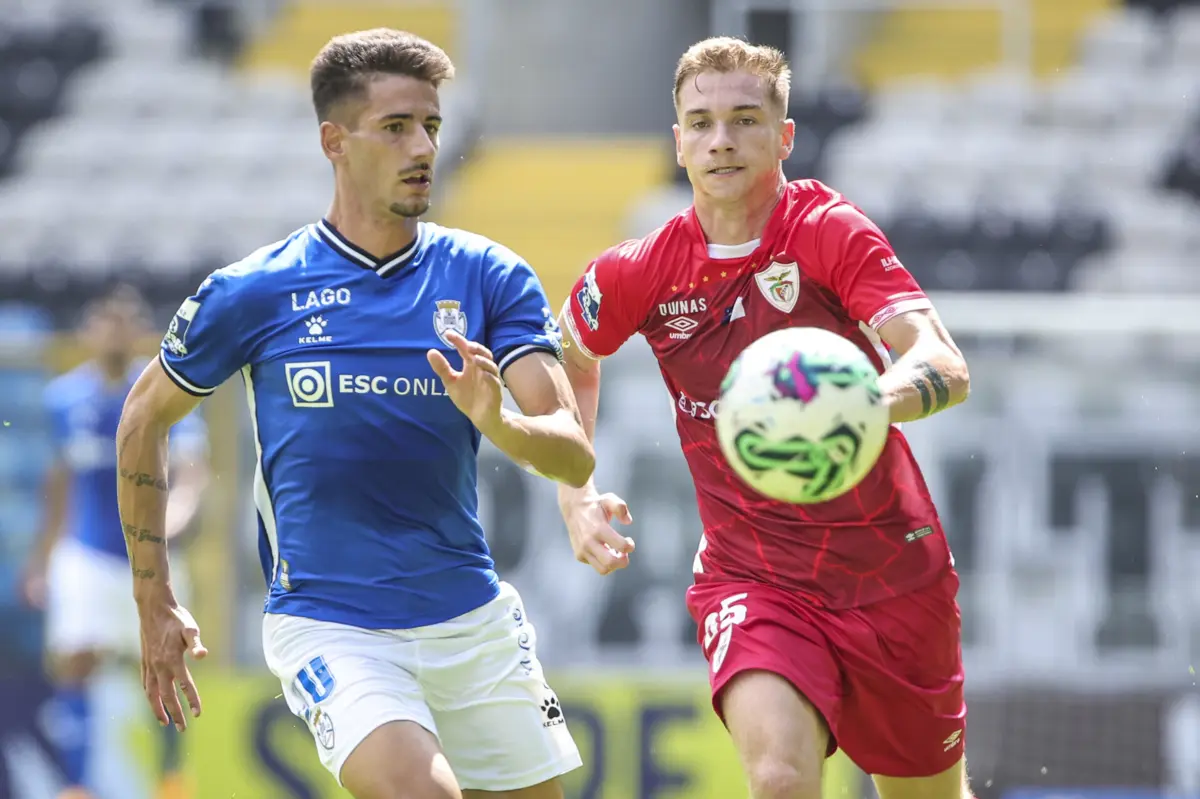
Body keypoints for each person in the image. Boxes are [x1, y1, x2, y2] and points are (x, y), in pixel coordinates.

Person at [114, 28, 588, 799]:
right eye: (396, 126)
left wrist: (497, 420)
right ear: (334, 141)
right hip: (331, 622)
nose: (423, 146)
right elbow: (142, 418)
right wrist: (154, 598)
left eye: (431, 125)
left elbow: (574, 454)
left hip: (471, 619)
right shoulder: (254, 290)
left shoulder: (488, 274)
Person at [556, 37, 975, 799]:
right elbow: (569, 357)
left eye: (746, 120)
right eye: (702, 122)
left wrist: (856, 403)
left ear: (784, 136)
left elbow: (943, 364)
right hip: (753, 578)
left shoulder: (829, 231)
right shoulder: (638, 271)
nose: (722, 140)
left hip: (892, 574)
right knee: (780, 778)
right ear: (678, 139)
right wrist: (575, 494)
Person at [21, 285, 210, 799]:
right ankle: (76, 786)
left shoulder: (166, 392)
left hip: (152, 557)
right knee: (76, 660)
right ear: (88, 330)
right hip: (85, 552)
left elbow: (192, 470)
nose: (116, 330)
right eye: (106, 319)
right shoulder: (64, 398)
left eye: (128, 320)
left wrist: (175, 518)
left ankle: (170, 783)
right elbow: (60, 480)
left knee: (162, 666)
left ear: (142, 332)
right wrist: (41, 559)